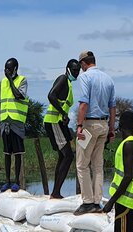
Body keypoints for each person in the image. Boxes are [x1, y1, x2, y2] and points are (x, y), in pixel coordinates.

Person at [74, 51, 116, 213]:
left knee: (82, 164)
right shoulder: (108, 79)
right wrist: (112, 129)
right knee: (98, 165)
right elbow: (113, 107)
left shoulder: (85, 78)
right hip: (104, 124)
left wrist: (79, 125)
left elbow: (84, 103)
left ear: (84, 63)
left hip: (89, 125)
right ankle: (97, 200)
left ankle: (87, 202)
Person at [45, 59, 80, 200]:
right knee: (68, 155)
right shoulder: (63, 79)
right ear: (68, 69)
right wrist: (63, 113)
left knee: (63, 155)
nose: (76, 73)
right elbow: (51, 95)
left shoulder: (69, 84)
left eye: (78, 71)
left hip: (60, 123)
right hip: (53, 121)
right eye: (74, 70)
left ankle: (55, 191)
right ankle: (56, 192)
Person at [0, 58, 28, 192]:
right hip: (5, 122)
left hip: (17, 122)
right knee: (7, 153)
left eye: (9, 69)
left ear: (15, 69)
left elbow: (18, 95)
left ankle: (17, 181)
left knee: (18, 153)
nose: (7, 71)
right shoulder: (2, 82)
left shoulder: (22, 80)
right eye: (5, 69)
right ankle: (7, 181)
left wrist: (10, 79)